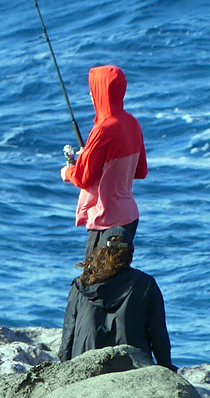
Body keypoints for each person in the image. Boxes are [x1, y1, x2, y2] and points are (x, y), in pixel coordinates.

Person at [60, 65, 147, 260]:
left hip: (106, 221)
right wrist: (93, 157)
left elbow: (83, 178)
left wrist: (67, 172)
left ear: (101, 92)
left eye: (94, 90)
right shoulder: (132, 122)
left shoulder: (102, 130)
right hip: (130, 218)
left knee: (94, 278)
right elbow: (140, 171)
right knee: (119, 276)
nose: (91, 95)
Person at [57, 227, 173, 368]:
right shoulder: (145, 284)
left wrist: (66, 366)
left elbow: (68, 333)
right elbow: (158, 333)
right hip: (131, 366)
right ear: (130, 254)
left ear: (99, 251)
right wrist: (166, 366)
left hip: (85, 365)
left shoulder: (80, 285)